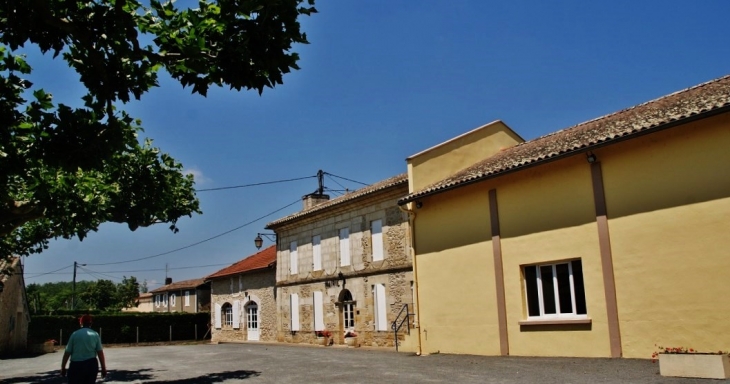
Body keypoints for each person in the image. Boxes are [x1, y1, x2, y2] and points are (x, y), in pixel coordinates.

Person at [61, 314, 107, 383]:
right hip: (91, 365)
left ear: (81, 323)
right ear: (91, 323)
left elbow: (67, 352)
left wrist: (63, 367)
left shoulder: (74, 334)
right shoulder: (95, 334)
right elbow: (100, 352)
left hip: (76, 365)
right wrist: (103, 368)